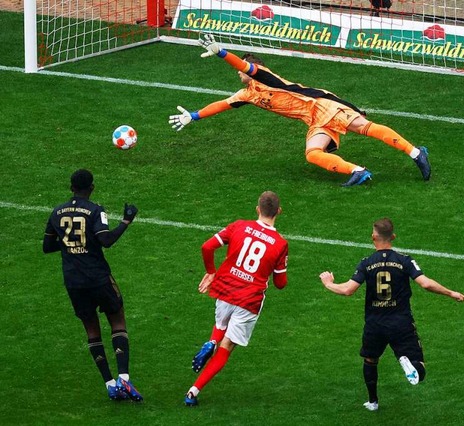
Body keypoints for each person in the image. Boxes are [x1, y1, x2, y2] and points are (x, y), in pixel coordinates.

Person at [169, 34, 432, 187]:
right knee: (312, 154)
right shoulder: (247, 94)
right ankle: (357, 171)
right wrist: (193, 115)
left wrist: (221, 53)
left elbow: (245, 66)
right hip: (314, 119)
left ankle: (416, 153)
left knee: (365, 127)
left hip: (322, 105)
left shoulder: (264, 76)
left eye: (244, 68)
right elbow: (222, 105)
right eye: (240, 70)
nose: (240, 72)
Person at [319, 218, 464, 411]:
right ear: (393, 237)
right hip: (401, 322)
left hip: (375, 324)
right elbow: (426, 283)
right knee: (419, 368)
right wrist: (451, 293)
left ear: (373, 237)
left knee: (370, 360)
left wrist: (328, 283)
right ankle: (410, 366)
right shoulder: (404, 260)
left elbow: (348, 290)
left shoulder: (366, 263)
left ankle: (372, 402)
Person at [42, 169, 143, 401]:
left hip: (74, 282)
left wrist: (71, 243)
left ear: (71, 188)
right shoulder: (96, 210)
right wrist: (126, 221)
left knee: (91, 329)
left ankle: (109, 385)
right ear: (92, 187)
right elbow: (106, 240)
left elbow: (47, 247)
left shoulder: (56, 212)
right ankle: (124, 380)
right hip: (97, 277)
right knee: (117, 319)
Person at [185, 191, 289, 407]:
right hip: (250, 299)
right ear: (279, 211)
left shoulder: (239, 226)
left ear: (257, 209)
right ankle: (193, 392)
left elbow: (207, 247)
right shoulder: (280, 244)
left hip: (225, 289)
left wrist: (211, 271)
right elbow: (280, 284)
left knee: (220, 325)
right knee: (228, 346)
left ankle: (211, 341)